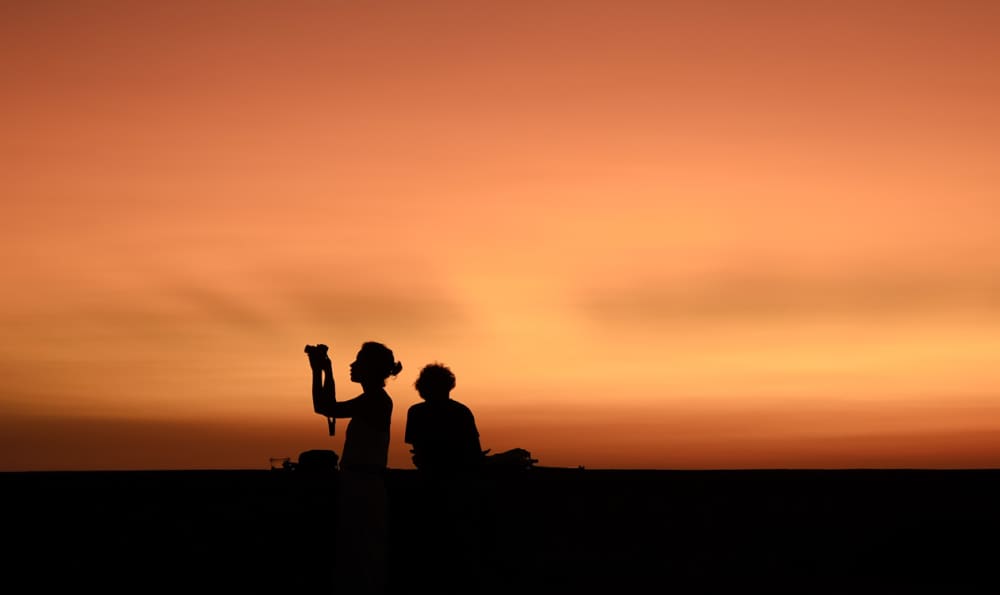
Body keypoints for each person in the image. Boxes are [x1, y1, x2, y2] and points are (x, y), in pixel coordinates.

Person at [307, 340, 402, 595]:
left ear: (370, 368)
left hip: (363, 486)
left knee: (362, 557)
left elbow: (325, 407)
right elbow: (329, 405)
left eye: (358, 361)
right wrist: (325, 369)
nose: (353, 365)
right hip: (362, 484)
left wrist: (320, 370)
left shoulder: (376, 400)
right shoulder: (374, 399)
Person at [404, 362, 485, 475]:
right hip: (459, 472)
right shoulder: (461, 411)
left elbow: (418, 448)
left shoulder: (416, 412)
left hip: (430, 471)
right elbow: (475, 450)